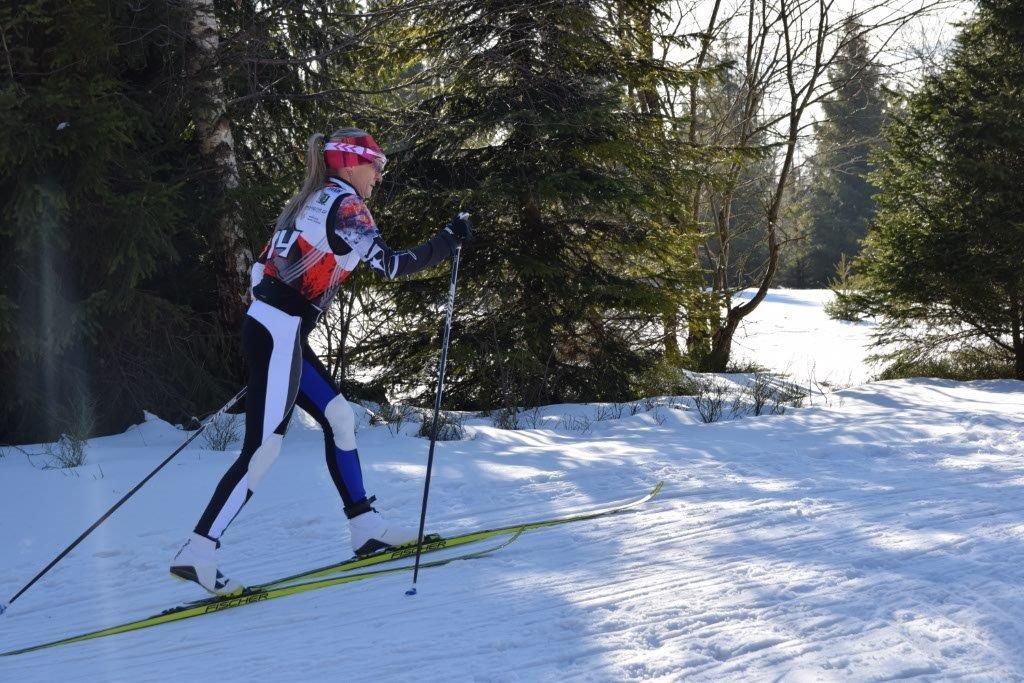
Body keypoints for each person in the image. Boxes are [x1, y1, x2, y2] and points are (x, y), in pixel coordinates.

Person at [170, 128, 472, 596]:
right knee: (263, 449)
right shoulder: (346, 205)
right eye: (376, 165)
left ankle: (365, 525)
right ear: (351, 163)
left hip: (279, 332)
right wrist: (448, 240)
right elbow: (392, 265)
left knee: (340, 417)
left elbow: (260, 272)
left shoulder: (307, 200)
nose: (379, 176)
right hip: (280, 333)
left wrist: (277, 331)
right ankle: (198, 550)